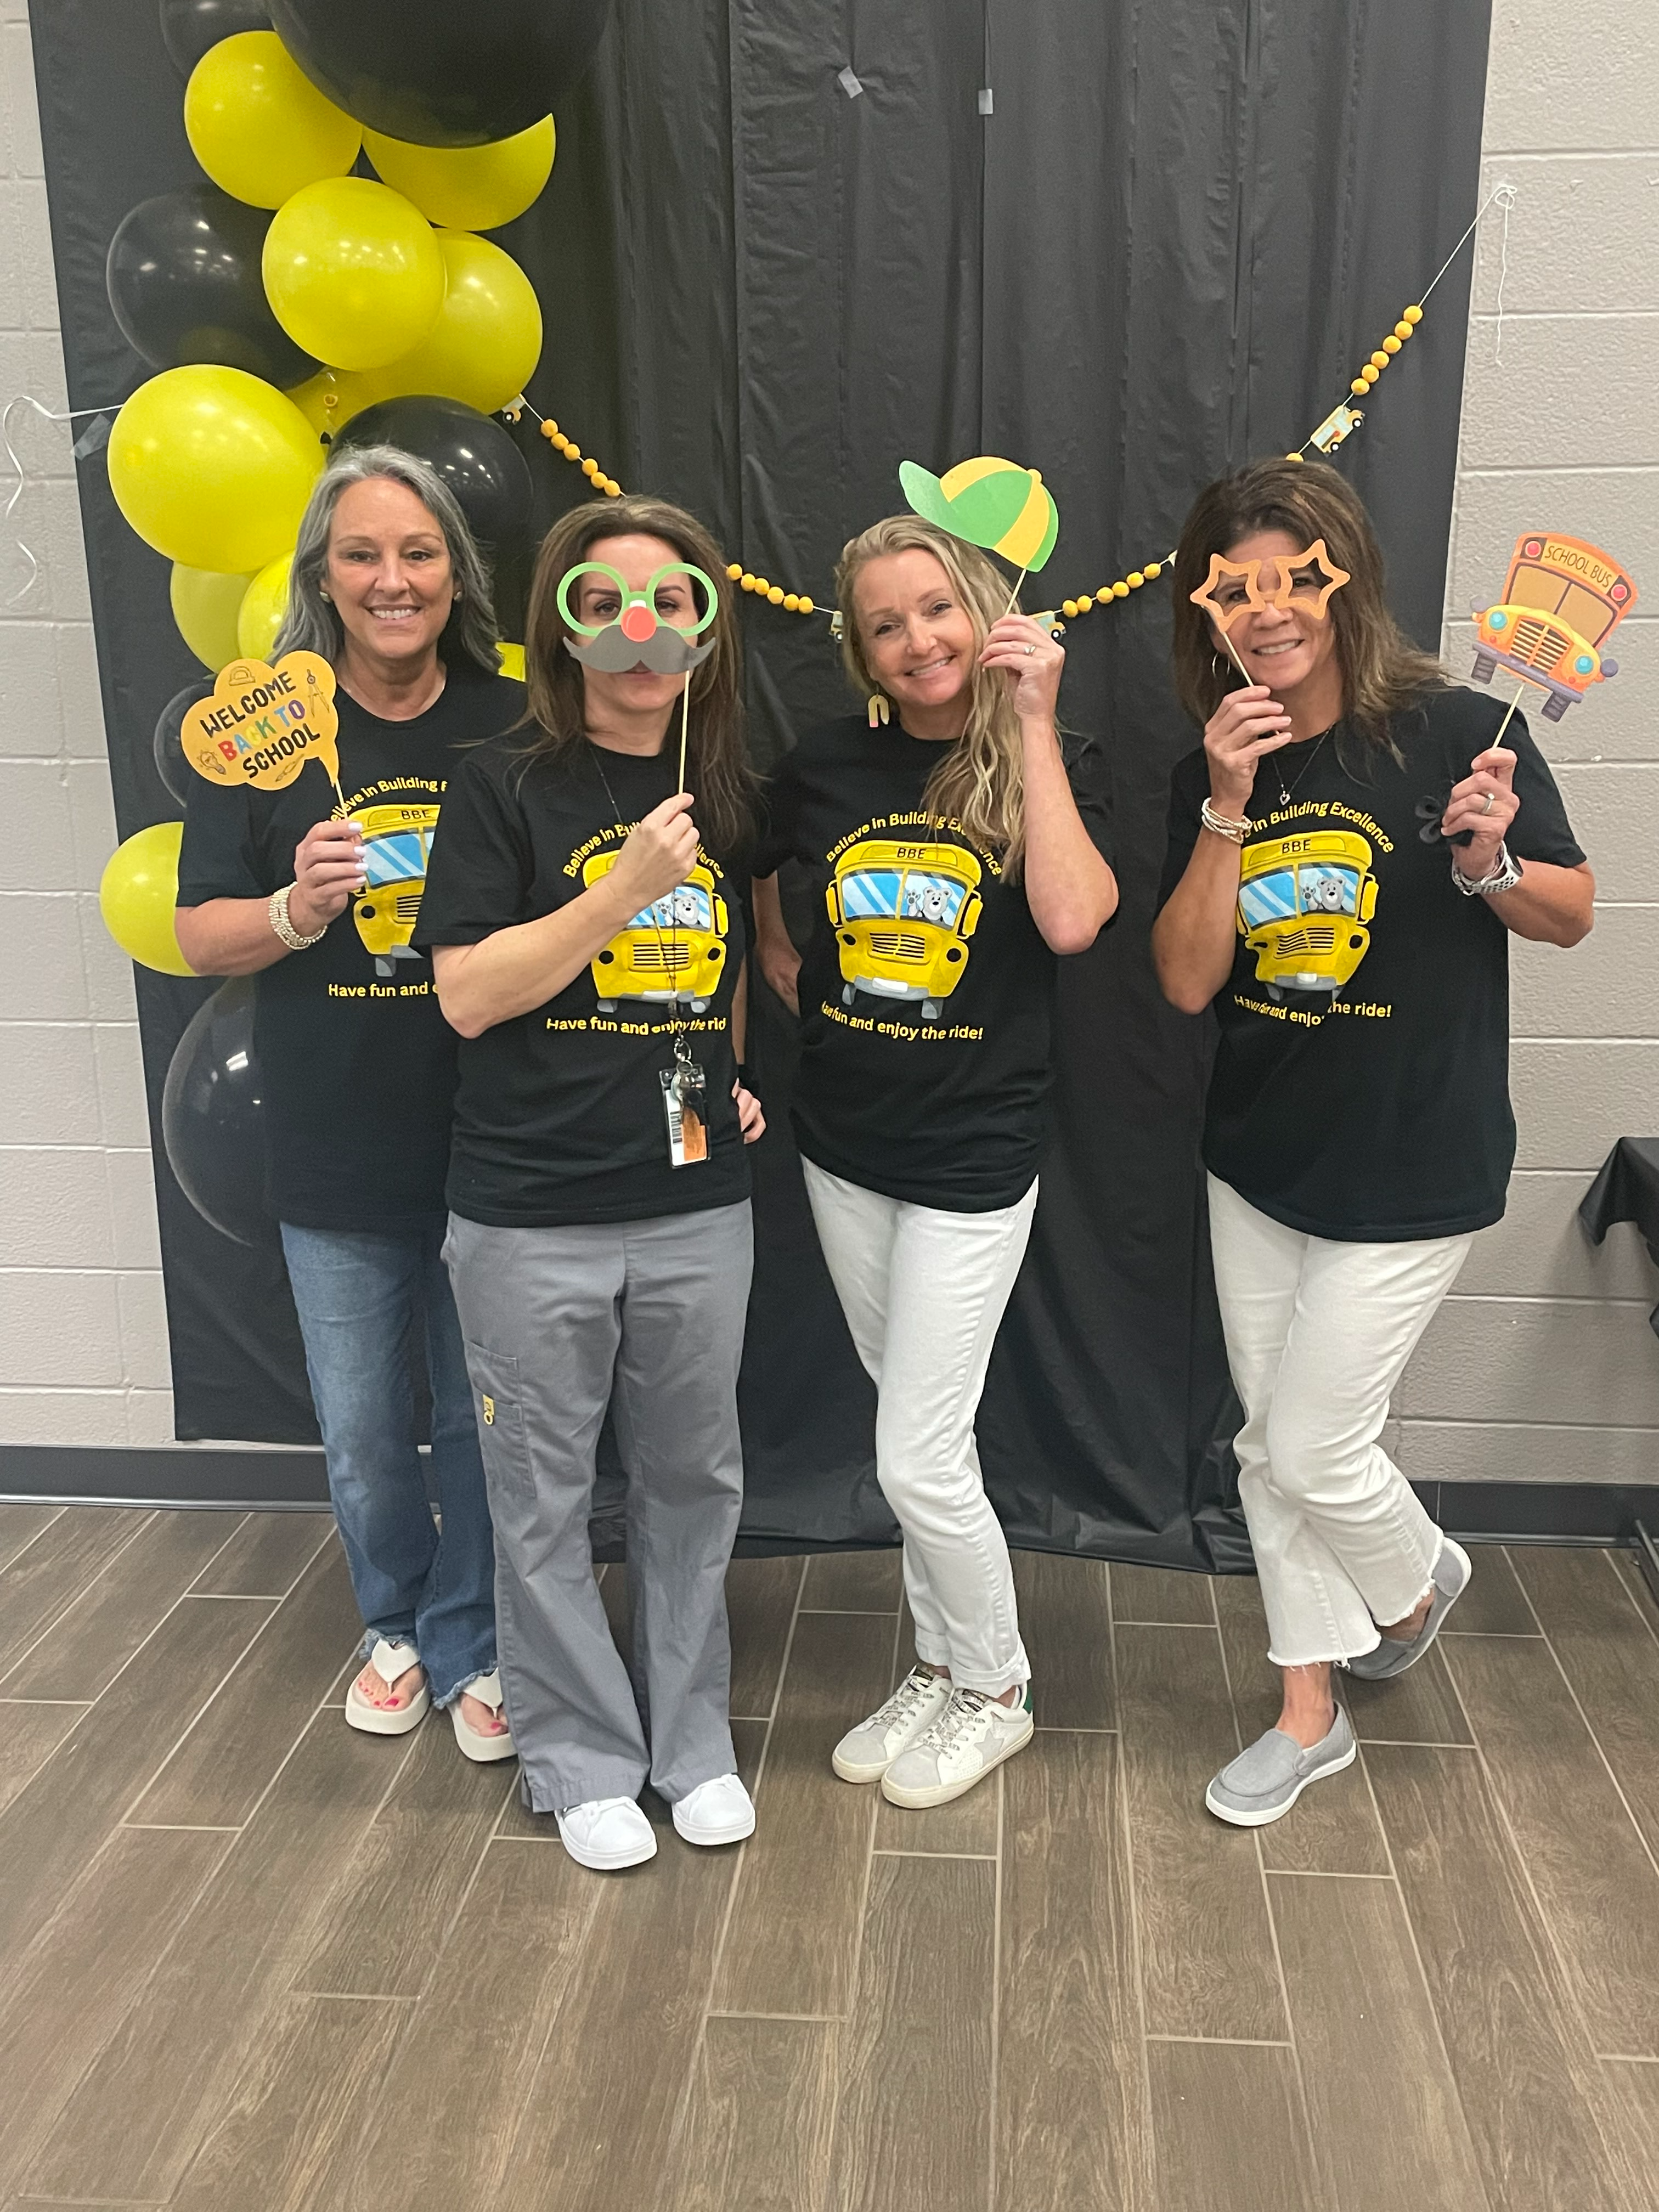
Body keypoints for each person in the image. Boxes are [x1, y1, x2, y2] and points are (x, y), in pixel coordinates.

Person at [1151, 458, 1593, 1827]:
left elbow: (1570, 914)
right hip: (1262, 1161)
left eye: (1296, 577)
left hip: (1415, 1162)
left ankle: (1409, 1584)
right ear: (1208, 609)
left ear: (1347, 577)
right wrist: (1226, 804)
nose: (1268, 608)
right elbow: (1181, 980)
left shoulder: (1468, 728)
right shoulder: (1216, 759)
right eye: (1237, 587)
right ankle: (1307, 1711)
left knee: (1312, 1448)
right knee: (1264, 1450)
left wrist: (1491, 866)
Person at [416, 495, 765, 1873]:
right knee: (543, 1492)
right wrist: (616, 892)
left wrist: (721, 1075)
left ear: (700, 628)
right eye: (606, 605)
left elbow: (727, 969)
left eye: (668, 604)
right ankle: (578, 1754)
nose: (639, 634)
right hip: (527, 1211)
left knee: (696, 1480)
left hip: (694, 1202)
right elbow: (463, 993)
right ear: (562, 624)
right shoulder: (501, 783)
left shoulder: (720, 786)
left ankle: (691, 1742)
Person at [752, 513, 1118, 1810]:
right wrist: (782, 963)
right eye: (885, 623)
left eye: (936, 609)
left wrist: (1028, 722)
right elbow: (757, 873)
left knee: (913, 1454)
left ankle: (1000, 1686)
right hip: (843, 1146)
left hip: (974, 1158)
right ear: (859, 648)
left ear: (983, 611)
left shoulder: (1045, 755)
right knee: (927, 1437)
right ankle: (940, 1660)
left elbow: (1074, 922)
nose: (917, 641)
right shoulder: (823, 766)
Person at [175, 445, 523, 1762]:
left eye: (419, 552)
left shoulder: (512, 720)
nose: (394, 578)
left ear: (454, 573)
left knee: (482, 1423)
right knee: (370, 1432)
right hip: (329, 1145)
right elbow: (198, 935)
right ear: (324, 576)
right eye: (364, 554)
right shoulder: (263, 738)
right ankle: (394, 1625)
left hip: (494, 1140)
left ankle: (476, 1636)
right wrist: (291, 908)